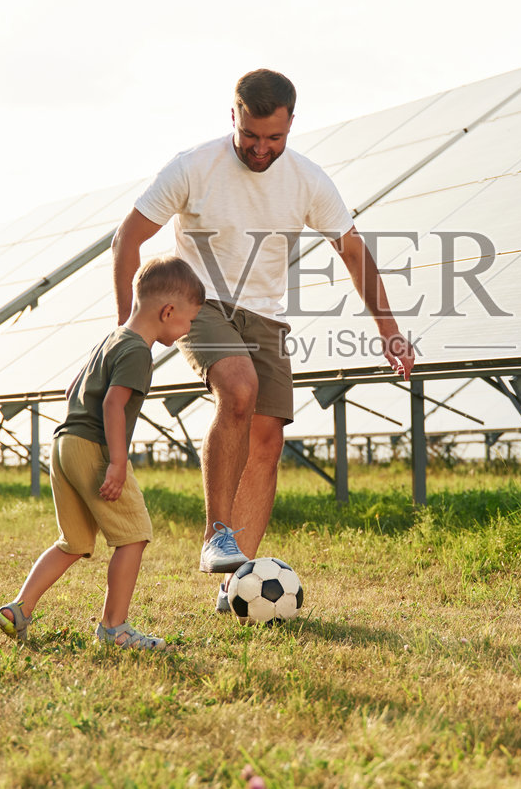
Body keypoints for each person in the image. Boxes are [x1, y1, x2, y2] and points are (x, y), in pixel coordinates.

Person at [113, 68, 415, 613]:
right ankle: (216, 534)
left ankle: (234, 586)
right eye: (251, 135)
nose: (260, 148)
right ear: (233, 116)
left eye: (274, 138)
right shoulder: (193, 166)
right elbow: (128, 238)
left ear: (291, 125)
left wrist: (389, 332)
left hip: (266, 316)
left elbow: (352, 252)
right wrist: (126, 330)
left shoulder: (307, 180)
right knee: (238, 388)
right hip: (201, 303)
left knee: (267, 441)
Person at [0, 256, 205, 650]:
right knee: (133, 537)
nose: (189, 328)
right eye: (189, 320)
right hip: (93, 448)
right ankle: (114, 628)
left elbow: (72, 390)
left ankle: (19, 608)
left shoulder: (111, 339)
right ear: (168, 311)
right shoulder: (139, 351)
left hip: (64, 443)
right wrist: (118, 463)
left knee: (73, 541)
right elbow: (111, 405)